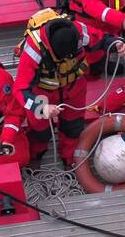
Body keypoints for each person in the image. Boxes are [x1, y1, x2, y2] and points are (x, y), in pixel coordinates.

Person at [13, 10, 92, 162]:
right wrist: (41, 107)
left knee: (73, 127)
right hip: (42, 93)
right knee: (39, 132)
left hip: (74, 89)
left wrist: (116, 44)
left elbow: (99, 39)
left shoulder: (79, 31)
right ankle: (36, 157)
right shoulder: (33, 49)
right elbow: (20, 89)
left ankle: (70, 160)